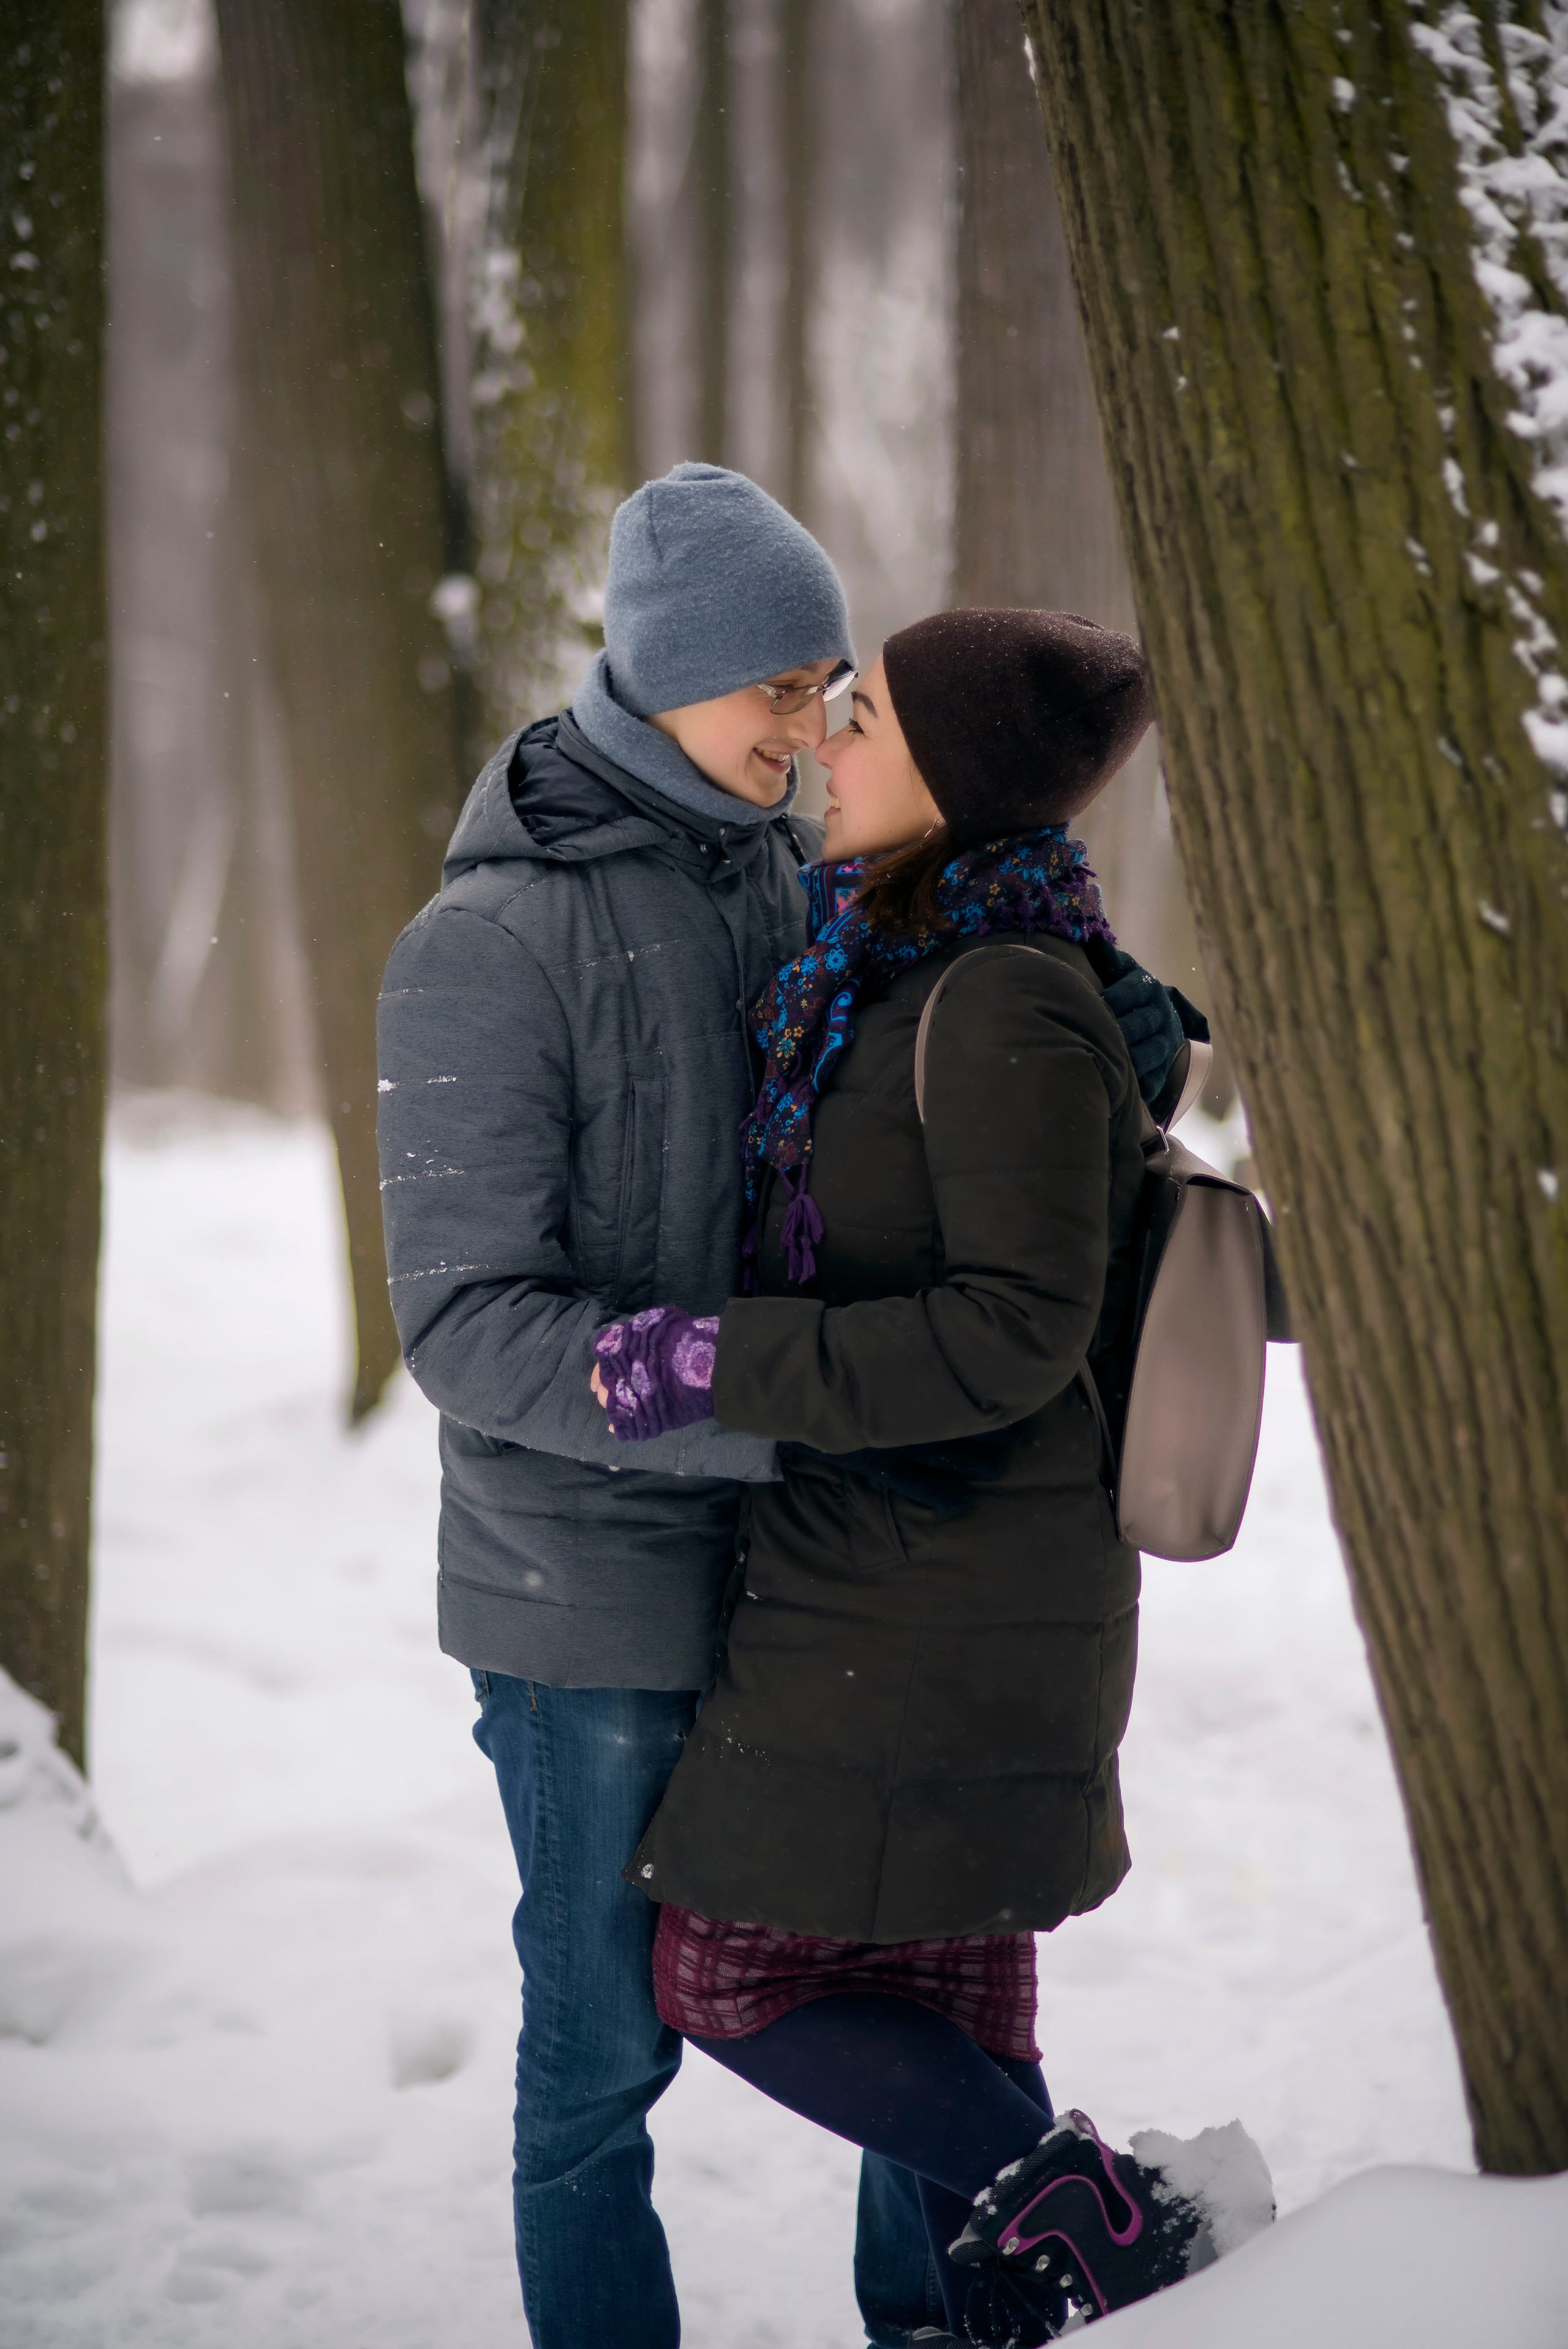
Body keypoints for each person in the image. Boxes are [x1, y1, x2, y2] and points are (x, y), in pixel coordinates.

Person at [377, 469, 1196, 2349]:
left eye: (834, 682)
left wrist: (1116, 1009)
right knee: (605, 2052)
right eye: (774, 684)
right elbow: (469, 1327)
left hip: (812, 1561)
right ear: (660, 672)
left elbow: (969, 1027)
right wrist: (743, 1405)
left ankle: (942, 2313)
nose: (811, 722)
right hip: (590, 1586)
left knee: (909, 1973)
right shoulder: (485, 949)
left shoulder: (798, 872)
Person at [592, 609, 1213, 2345]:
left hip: (938, 1583)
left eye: (863, 718)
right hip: (932, 1573)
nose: (831, 743)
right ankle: (1032, 2300)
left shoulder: (1002, 993)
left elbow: (1010, 1331)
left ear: (951, 776)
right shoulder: (915, 951)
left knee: (731, 1976)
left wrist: (717, 1358)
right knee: (953, 1983)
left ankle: (1103, 2223)